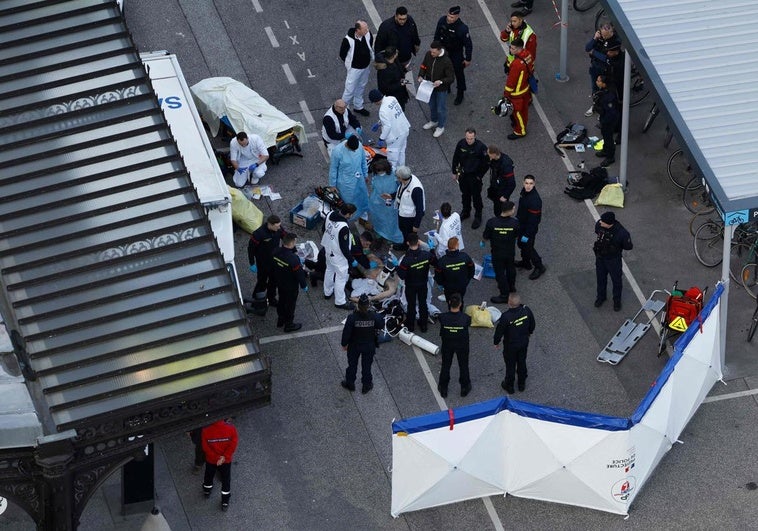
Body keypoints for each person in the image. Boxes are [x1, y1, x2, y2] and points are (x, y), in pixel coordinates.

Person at [340, 294, 384, 394]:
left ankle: (350, 383)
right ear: (368, 305)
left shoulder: (352, 318)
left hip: (354, 346)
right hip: (369, 346)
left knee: (352, 366)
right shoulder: (373, 316)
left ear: (358, 306)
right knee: (367, 367)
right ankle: (366, 385)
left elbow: (346, 333)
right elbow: (381, 324)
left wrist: (344, 344)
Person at [493, 293, 535, 394]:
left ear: (509, 303)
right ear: (519, 302)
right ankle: (521, 383)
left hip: (511, 346)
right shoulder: (526, 310)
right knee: (521, 361)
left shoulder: (506, 317)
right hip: (523, 342)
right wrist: (529, 332)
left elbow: (499, 331)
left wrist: (496, 342)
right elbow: (532, 324)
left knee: (510, 365)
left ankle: (509, 385)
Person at [594, 211, 633, 311]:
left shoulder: (622, 233)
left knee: (616, 281)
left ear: (609, 223)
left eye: (603, 222)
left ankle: (617, 301)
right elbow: (597, 230)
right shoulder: (600, 225)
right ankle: (601, 297)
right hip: (600, 258)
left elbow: (628, 246)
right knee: (600, 279)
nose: (600, 222)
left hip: (613, 260)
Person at [433, 6, 473, 106]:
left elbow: (468, 44)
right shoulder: (442, 20)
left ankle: (460, 93)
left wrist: (468, 59)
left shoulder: (462, 28)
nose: (449, 19)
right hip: (444, 51)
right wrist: (436, 49)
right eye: (449, 16)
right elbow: (437, 35)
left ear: (457, 16)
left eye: (452, 17)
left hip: (456, 53)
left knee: (459, 74)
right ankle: (446, 87)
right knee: (443, 70)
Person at [322, 203, 358, 310]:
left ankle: (327, 292)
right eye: (351, 214)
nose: (351, 216)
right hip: (338, 256)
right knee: (341, 278)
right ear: (347, 214)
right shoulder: (343, 227)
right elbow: (344, 247)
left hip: (328, 249)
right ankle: (340, 301)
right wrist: (351, 260)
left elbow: (323, 229)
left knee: (329, 270)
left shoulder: (330, 214)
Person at [482, 200, 519, 302]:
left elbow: (486, 236)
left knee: (500, 273)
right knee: (511, 269)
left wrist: (483, 242)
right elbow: (516, 235)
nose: (514, 210)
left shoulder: (492, 222)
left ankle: (504, 295)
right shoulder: (514, 223)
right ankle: (511, 286)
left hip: (497, 252)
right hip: (510, 252)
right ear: (510, 211)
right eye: (513, 209)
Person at [451, 128, 489, 228]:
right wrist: (454, 172)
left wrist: (479, 176)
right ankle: (466, 211)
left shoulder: (481, 147)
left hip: (474, 177)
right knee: (465, 194)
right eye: (467, 138)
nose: (469, 140)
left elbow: (486, 163)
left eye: (471, 138)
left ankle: (478, 216)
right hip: (463, 175)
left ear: (475, 137)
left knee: (476, 197)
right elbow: (456, 158)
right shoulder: (461, 144)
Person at [436, 293, 472, 398]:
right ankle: (464, 388)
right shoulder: (466, 318)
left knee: (446, 366)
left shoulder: (442, 317)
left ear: (449, 303)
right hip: (462, 345)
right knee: (463, 365)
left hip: (447, 344)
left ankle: (443, 388)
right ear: (460, 304)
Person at [272, 232, 309, 332]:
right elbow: (299, 274)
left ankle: (281, 319)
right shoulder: (294, 259)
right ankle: (289, 324)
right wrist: (304, 285)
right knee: (290, 305)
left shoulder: (276, 251)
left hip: (280, 282)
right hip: (291, 286)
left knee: (281, 301)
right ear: (292, 243)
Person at [417, 40, 455, 138]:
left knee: (440, 108)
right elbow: (423, 65)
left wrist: (441, 81)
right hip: (430, 86)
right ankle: (434, 121)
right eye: (431, 51)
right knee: (432, 105)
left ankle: (441, 126)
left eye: (434, 52)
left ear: (439, 50)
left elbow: (451, 77)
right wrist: (421, 75)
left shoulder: (446, 61)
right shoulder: (428, 55)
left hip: (441, 89)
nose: (431, 53)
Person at [584, 22, 622, 116]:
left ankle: (604, 110)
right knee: (594, 87)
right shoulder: (599, 35)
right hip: (595, 66)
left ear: (611, 32)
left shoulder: (615, 42)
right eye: (602, 35)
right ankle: (595, 105)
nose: (603, 37)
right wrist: (594, 39)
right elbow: (587, 48)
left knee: (607, 90)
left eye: (605, 36)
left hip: (607, 70)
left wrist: (594, 53)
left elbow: (607, 59)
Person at [329, 135, 369, 222]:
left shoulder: (359, 146)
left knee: (362, 198)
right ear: (347, 145)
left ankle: (363, 218)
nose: (355, 151)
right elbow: (333, 168)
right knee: (349, 202)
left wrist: (365, 174)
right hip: (346, 182)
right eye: (353, 150)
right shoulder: (337, 151)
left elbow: (363, 161)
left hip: (359, 179)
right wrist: (332, 184)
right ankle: (346, 221)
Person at [248, 215, 286, 307]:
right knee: (262, 282)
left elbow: (285, 237)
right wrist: (252, 263)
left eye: (279, 225)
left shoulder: (278, 229)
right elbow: (251, 249)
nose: (279, 227)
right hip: (263, 263)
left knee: (273, 281)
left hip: (275, 261)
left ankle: (271, 299)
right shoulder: (258, 234)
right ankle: (257, 300)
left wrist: (293, 250)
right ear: (270, 224)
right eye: (277, 226)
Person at [201, 418, 239, 511]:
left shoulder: (206, 430)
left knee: (209, 476)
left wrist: (216, 457)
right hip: (225, 461)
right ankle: (225, 502)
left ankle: (207, 491)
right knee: (226, 480)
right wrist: (224, 457)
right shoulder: (231, 429)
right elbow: (233, 444)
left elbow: (205, 447)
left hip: (211, 460)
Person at [397, 233, 432, 333]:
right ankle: (424, 325)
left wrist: (396, 266)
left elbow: (402, 275)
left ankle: (411, 326)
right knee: (423, 304)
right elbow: (435, 262)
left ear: (408, 243)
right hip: (423, 284)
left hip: (411, 286)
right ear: (418, 242)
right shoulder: (426, 255)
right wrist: (432, 249)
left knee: (411, 305)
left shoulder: (406, 260)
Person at [368, 89, 410, 168]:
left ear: (376, 101)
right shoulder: (392, 98)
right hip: (404, 129)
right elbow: (391, 114)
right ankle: (402, 171)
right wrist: (379, 123)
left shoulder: (382, 110)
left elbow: (387, 126)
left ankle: (394, 176)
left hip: (395, 136)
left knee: (392, 159)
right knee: (401, 152)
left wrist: (381, 138)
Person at [340, 20, 374, 116]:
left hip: (365, 67)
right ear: (358, 30)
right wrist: (350, 64)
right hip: (354, 69)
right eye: (365, 29)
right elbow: (342, 54)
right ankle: (342, 110)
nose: (367, 30)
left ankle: (358, 106)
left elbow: (370, 45)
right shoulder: (347, 40)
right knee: (349, 89)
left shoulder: (367, 34)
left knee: (361, 86)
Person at [516, 174, 546, 280]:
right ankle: (525, 262)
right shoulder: (524, 192)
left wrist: (527, 235)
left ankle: (539, 266)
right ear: (523, 183)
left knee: (528, 247)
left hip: (528, 230)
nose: (528, 186)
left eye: (531, 183)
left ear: (534, 184)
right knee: (521, 244)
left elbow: (534, 221)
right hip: (522, 225)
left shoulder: (535, 201)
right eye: (526, 183)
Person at [503, 38, 534, 140]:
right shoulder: (528, 55)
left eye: (512, 48)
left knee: (517, 112)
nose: (510, 50)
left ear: (517, 49)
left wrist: (506, 94)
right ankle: (521, 126)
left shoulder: (516, 64)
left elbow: (511, 82)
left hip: (517, 93)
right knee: (524, 110)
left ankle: (520, 131)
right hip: (525, 88)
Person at [368, 158, 404, 245]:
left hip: (390, 203)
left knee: (391, 220)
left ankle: (390, 235)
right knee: (379, 218)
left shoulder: (395, 175)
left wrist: (392, 196)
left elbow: (401, 188)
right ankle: (381, 233)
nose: (379, 173)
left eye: (380, 171)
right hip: (378, 203)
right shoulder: (376, 174)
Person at [389, 165, 425, 250]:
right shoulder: (407, 180)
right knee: (404, 230)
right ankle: (409, 244)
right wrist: (392, 196)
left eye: (398, 177)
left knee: (409, 234)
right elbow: (401, 191)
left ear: (401, 178)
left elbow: (420, 209)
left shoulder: (416, 189)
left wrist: (416, 225)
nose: (397, 179)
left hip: (410, 217)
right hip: (404, 213)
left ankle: (408, 246)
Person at [434, 237, 475, 304]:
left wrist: (441, 284)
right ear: (456, 246)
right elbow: (472, 269)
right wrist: (467, 280)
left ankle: (451, 312)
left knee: (450, 302)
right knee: (460, 300)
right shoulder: (465, 257)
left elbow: (438, 276)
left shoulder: (442, 261)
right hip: (462, 285)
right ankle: (460, 312)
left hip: (448, 287)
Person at [593, 75, 621, 168]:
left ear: (604, 83)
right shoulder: (606, 91)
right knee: (605, 136)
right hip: (606, 118)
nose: (597, 82)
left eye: (598, 81)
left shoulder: (609, 96)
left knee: (608, 138)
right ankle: (605, 150)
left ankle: (610, 156)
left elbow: (610, 112)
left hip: (609, 120)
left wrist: (603, 119)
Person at [486, 145, 515, 216]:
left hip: (502, 192)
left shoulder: (506, 165)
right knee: (496, 207)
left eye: (489, 154)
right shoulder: (494, 159)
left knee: (501, 211)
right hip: (496, 187)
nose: (488, 156)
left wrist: (505, 196)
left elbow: (512, 184)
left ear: (494, 154)